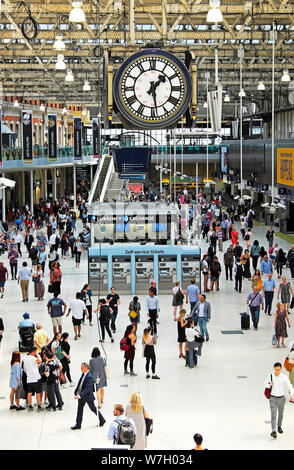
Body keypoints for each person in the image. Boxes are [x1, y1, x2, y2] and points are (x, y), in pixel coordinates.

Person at [71, 362, 106, 430]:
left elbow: (88, 388)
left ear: (86, 368)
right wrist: (76, 391)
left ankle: (102, 420)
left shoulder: (90, 377)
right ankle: (78, 424)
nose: (81, 369)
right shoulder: (83, 374)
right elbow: (80, 383)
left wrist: (80, 395)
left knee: (93, 409)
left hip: (87, 396)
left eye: (82, 367)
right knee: (79, 410)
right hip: (81, 395)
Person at [264, 362, 294, 439]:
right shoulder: (271, 376)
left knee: (281, 414)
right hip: (272, 398)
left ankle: (279, 426)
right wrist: (269, 384)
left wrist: (292, 395)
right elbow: (264, 383)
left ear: (281, 369)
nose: (277, 371)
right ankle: (273, 431)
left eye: (278, 369)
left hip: (281, 398)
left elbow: (289, 386)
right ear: (274, 369)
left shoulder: (284, 377)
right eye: (276, 369)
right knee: (273, 415)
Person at [22, 346, 43, 411]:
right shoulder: (33, 358)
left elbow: (25, 368)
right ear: (34, 351)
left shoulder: (25, 358)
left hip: (29, 378)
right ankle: (39, 406)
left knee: (29, 393)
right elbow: (40, 360)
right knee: (38, 392)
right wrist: (37, 355)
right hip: (36, 378)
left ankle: (30, 406)